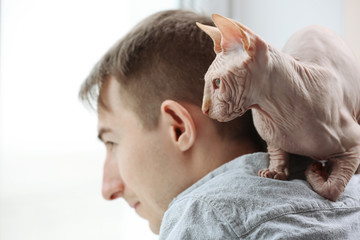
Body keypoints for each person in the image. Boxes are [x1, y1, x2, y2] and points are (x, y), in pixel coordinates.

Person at [79, 9, 360, 239]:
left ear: (178, 128)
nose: (108, 188)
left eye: (113, 142)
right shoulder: (347, 192)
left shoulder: (206, 218)